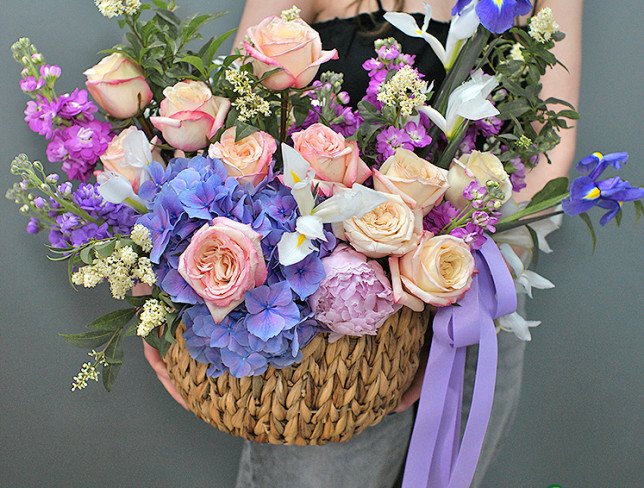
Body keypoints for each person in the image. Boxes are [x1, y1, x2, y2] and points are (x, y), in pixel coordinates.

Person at [143, 1, 582, 486]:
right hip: (334, 317)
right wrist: (162, 305)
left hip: (470, 296)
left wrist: (450, 275)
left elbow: (549, 154)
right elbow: (234, 126)